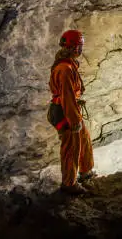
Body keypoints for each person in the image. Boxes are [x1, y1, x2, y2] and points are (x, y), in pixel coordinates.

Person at [49, 29, 96, 194]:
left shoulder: (68, 64)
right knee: (71, 147)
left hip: (69, 107)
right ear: (74, 47)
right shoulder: (65, 69)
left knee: (83, 138)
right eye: (80, 46)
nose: (81, 49)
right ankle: (69, 185)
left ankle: (85, 171)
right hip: (64, 111)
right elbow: (67, 97)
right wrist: (74, 120)